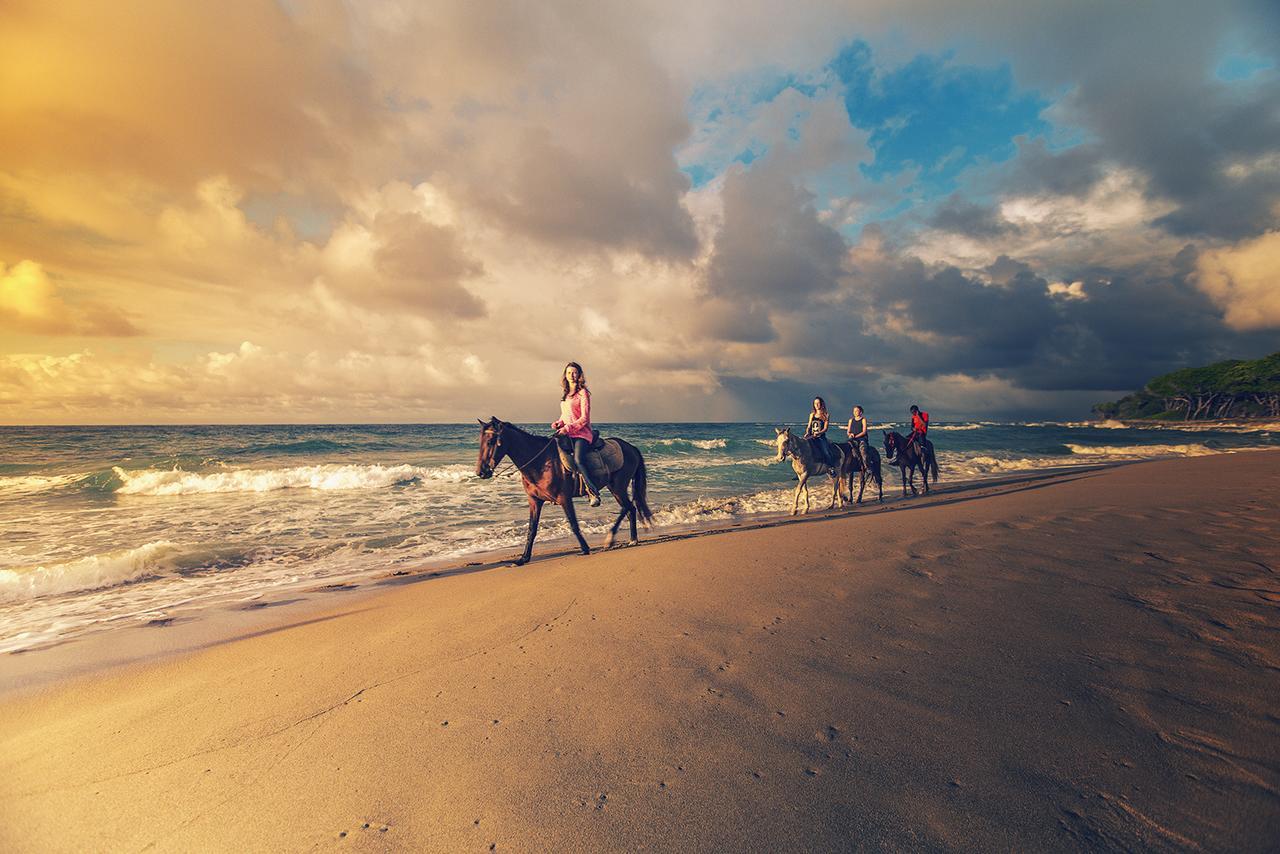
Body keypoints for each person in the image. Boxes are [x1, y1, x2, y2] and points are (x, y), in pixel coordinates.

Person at [551, 361, 601, 506]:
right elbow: (566, 415)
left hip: (581, 434)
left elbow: (584, 418)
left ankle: (593, 493)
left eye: (574, 372)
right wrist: (559, 423)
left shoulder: (583, 393)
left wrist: (567, 428)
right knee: (554, 455)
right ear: (565, 376)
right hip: (568, 434)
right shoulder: (566, 394)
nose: (571, 375)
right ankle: (559, 490)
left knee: (579, 460)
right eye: (568, 373)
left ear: (579, 375)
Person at [804, 396, 838, 468]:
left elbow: (825, 428)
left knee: (826, 451)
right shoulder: (812, 415)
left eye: (818, 403)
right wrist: (807, 432)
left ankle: (831, 467)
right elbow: (809, 426)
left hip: (821, 437)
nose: (816, 405)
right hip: (811, 437)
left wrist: (818, 433)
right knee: (803, 450)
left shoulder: (826, 415)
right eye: (815, 403)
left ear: (822, 404)